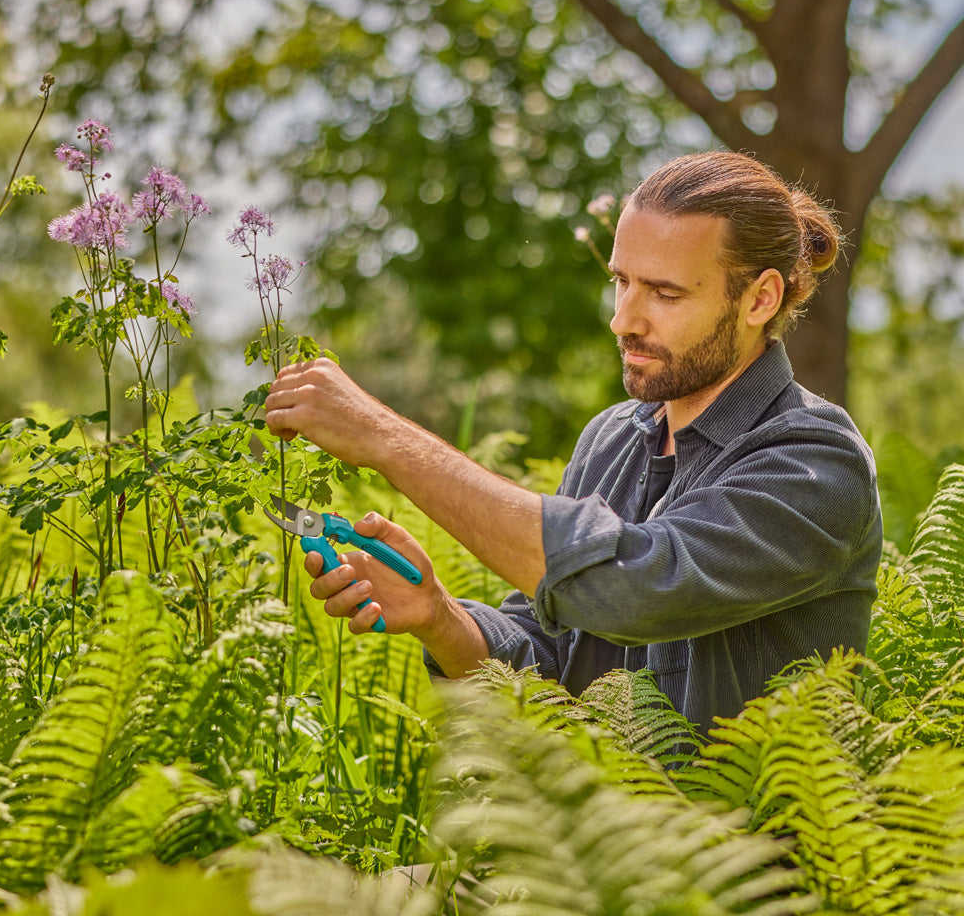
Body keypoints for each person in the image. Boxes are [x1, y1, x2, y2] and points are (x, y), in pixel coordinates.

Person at [264, 150, 882, 736]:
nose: (623, 320)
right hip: (601, 818)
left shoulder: (814, 461)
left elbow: (636, 590)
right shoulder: (610, 440)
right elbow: (546, 675)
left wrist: (383, 438)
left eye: (665, 293)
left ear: (760, 298)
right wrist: (438, 615)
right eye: (621, 282)